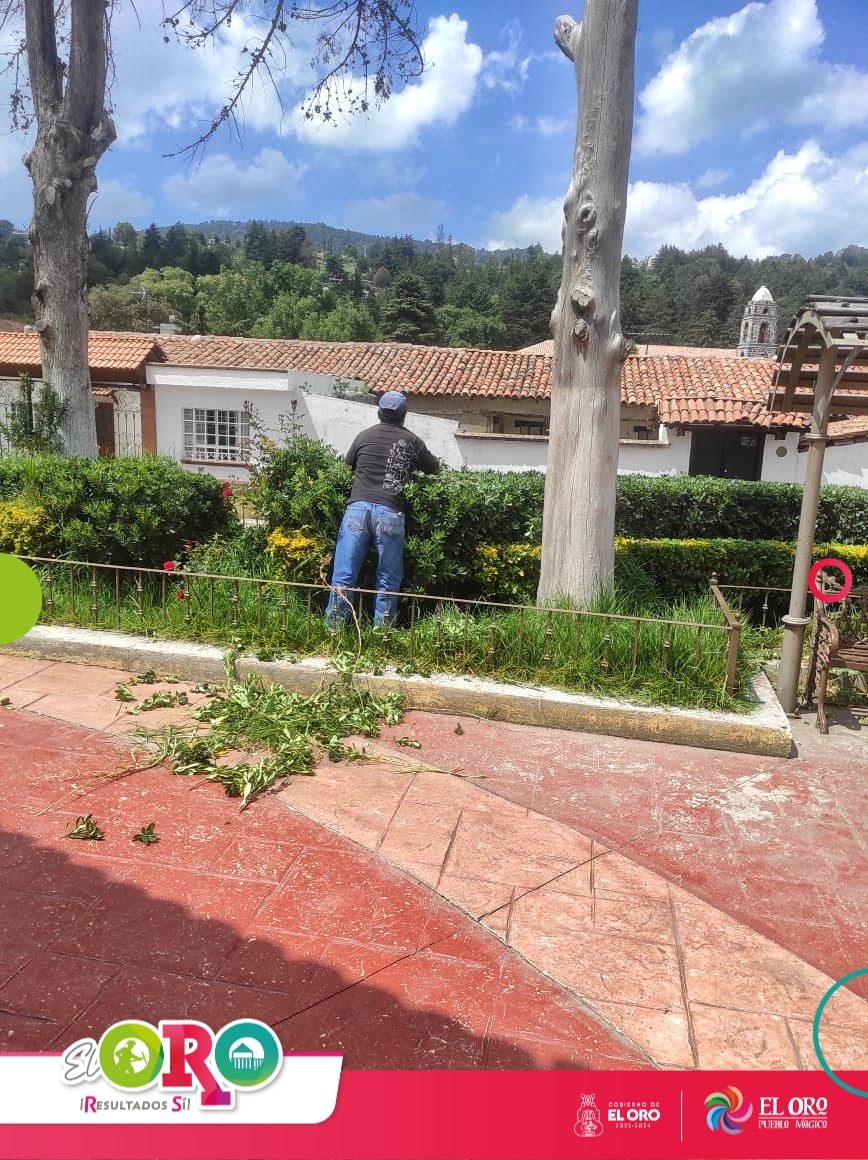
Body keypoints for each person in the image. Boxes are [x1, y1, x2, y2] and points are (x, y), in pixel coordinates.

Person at [326, 391, 440, 628]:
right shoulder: (413, 442)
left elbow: (348, 465)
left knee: (344, 574)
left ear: (379, 413)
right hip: (389, 511)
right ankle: (383, 635)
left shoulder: (363, 436)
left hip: (357, 509)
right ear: (403, 415)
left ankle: (334, 631)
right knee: (388, 577)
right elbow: (434, 468)